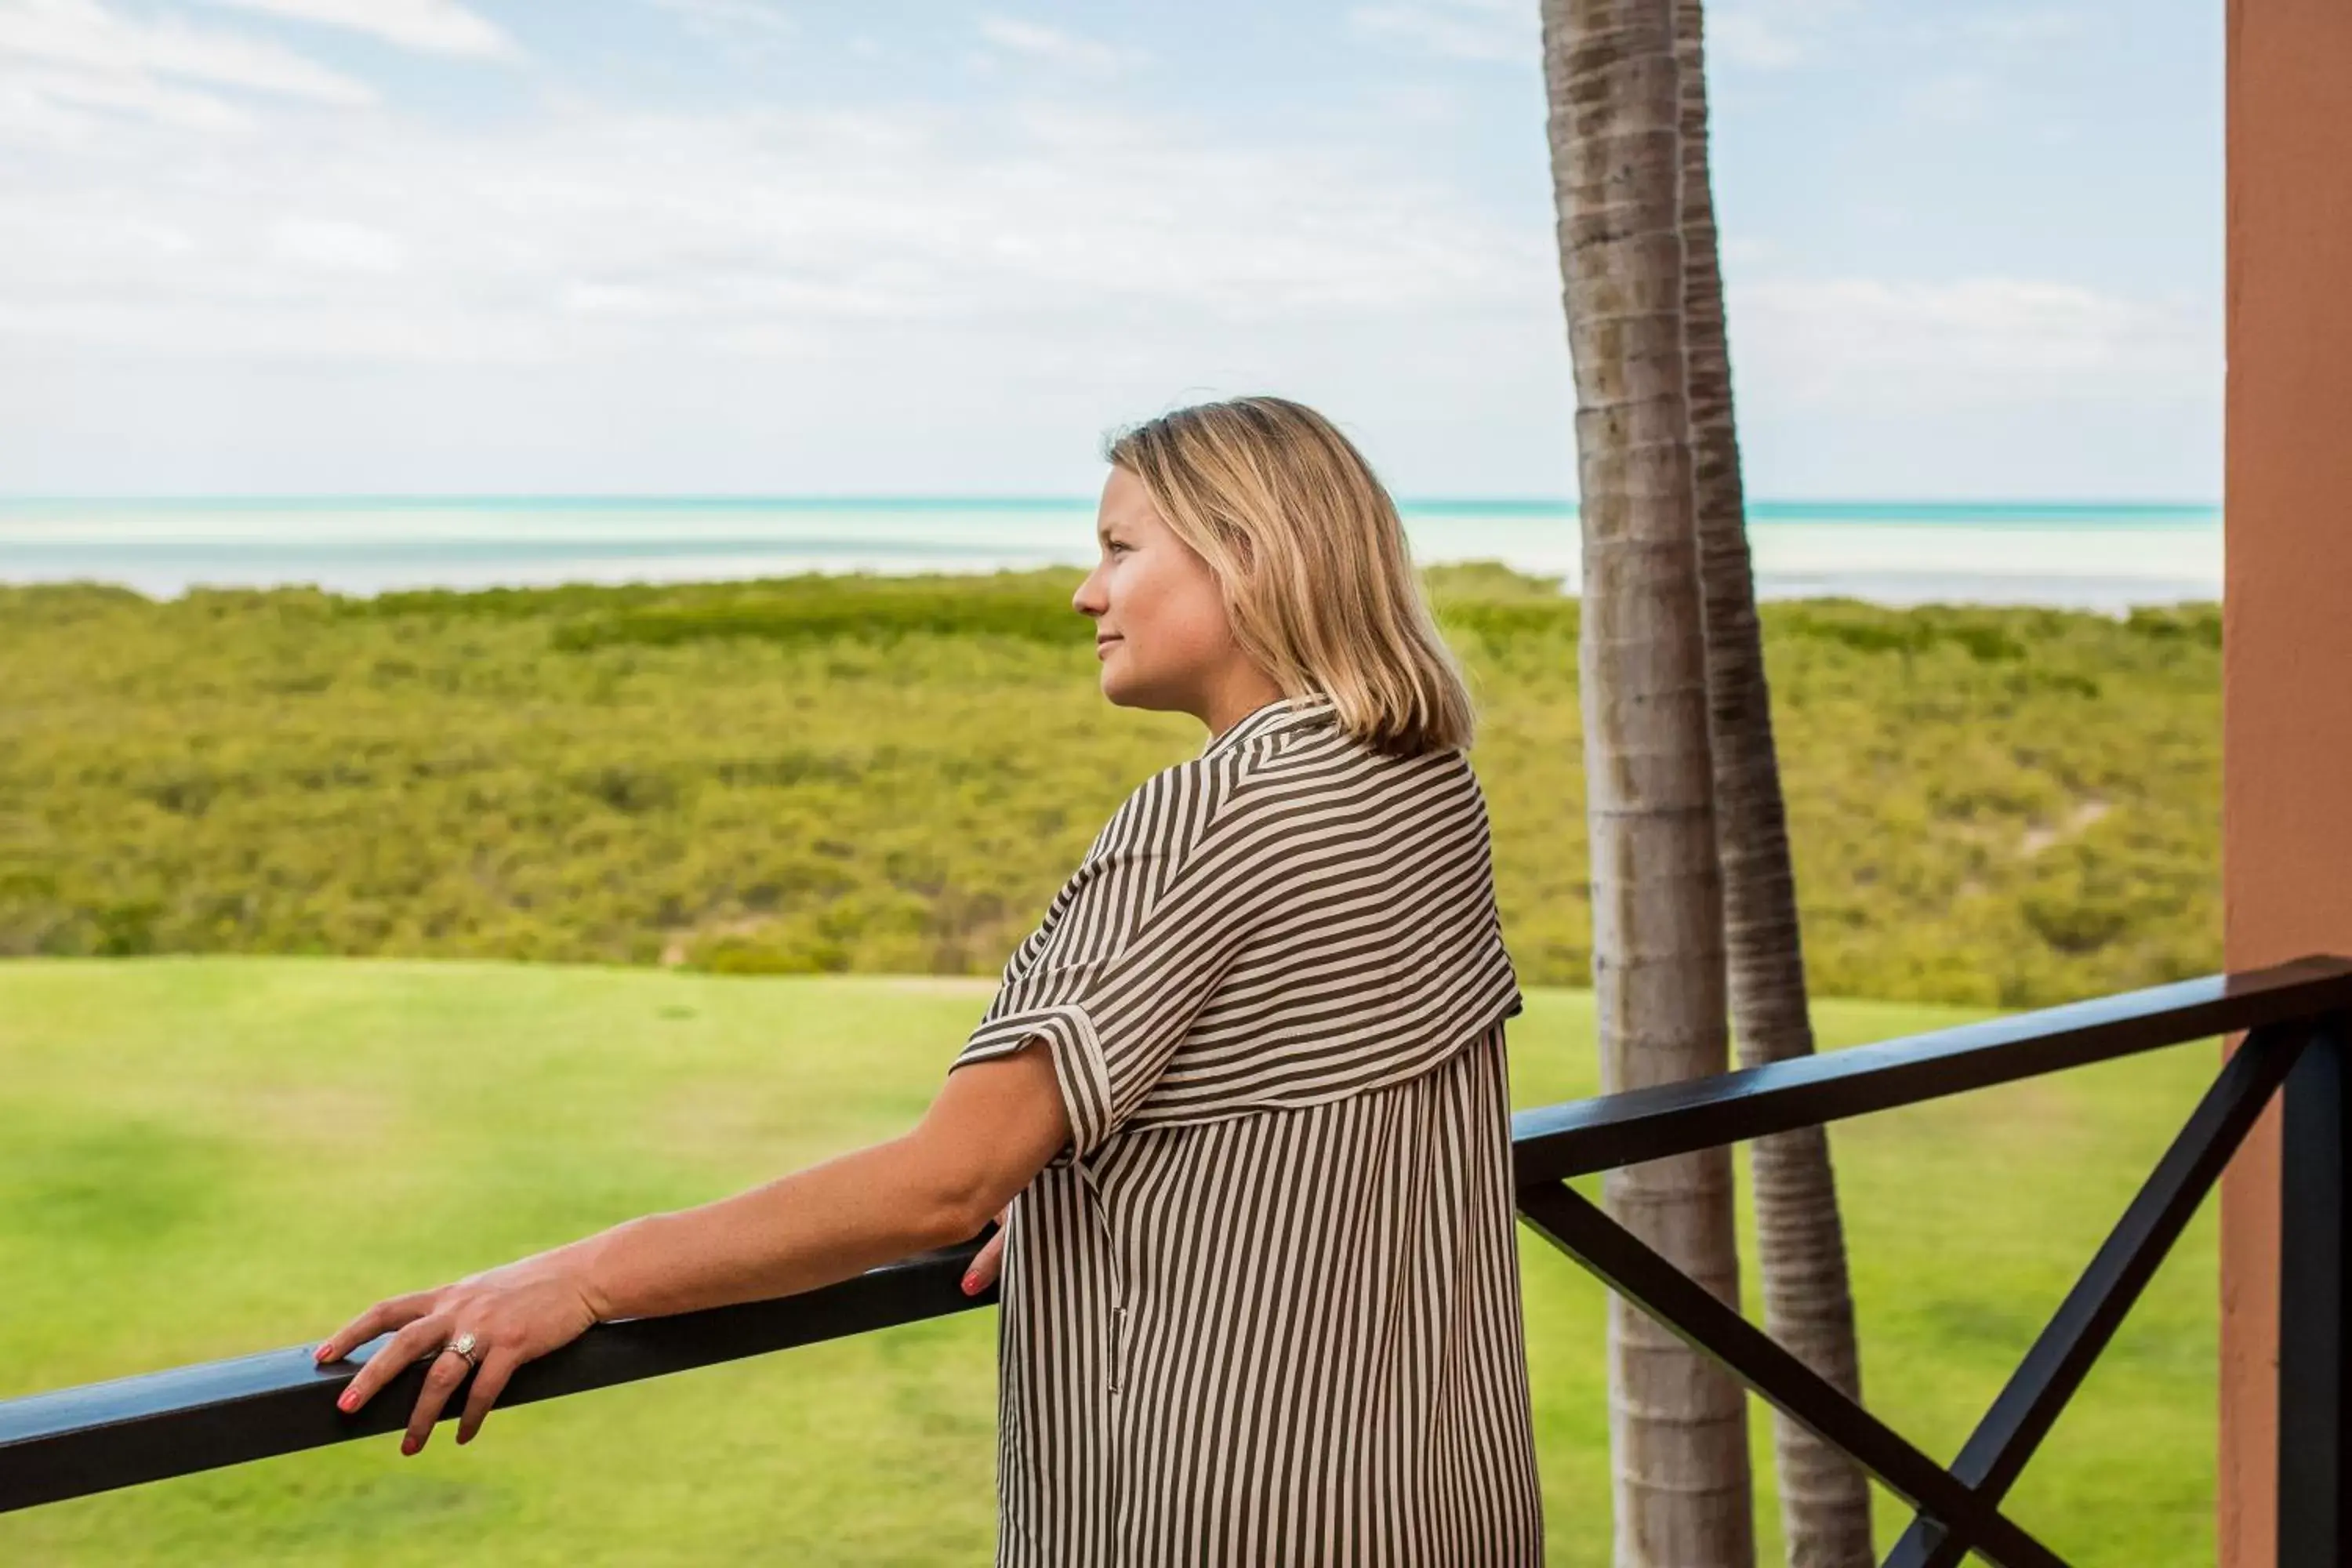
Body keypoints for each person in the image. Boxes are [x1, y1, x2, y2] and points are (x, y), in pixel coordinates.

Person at [311, 395, 1544, 1566]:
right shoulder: (1421, 783)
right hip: (1427, 1485)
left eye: (1120, 548)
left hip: (1223, 1504)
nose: (1086, 592)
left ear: (1250, 553)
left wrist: (581, 1275)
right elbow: (1301, 1088)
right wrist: (1082, 1183)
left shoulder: (1213, 813)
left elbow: (945, 1184)